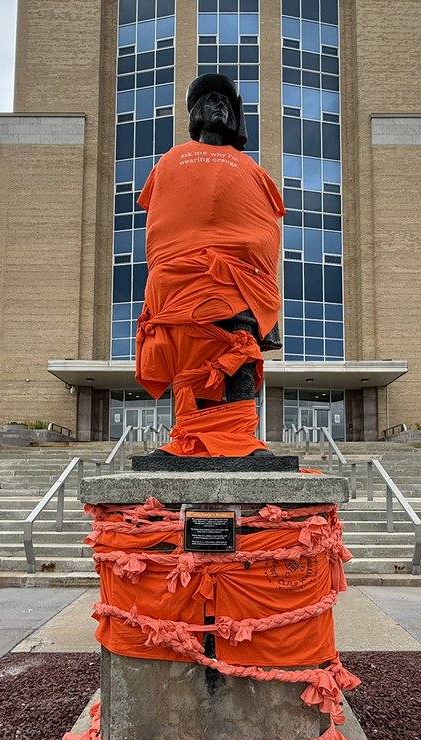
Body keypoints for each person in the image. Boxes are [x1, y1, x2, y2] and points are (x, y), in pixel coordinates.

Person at [134, 73, 284, 457]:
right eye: (206, 100)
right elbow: (160, 222)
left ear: (236, 118)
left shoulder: (252, 170)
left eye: (224, 101)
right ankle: (192, 436)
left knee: (240, 349)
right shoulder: (169, 161)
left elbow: (264, 224)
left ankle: (241, 439)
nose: (215, 105)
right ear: (193, 115)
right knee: (191, 355)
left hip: (238, 280)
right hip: (182, 279)